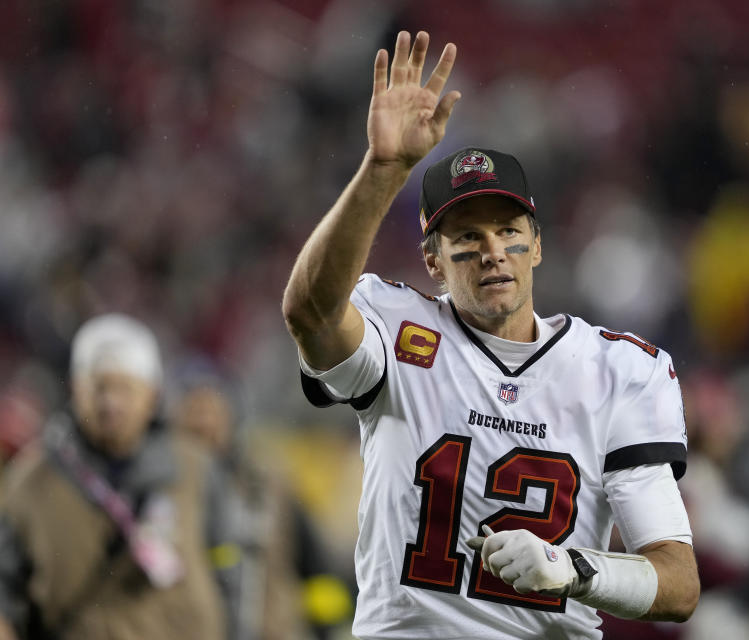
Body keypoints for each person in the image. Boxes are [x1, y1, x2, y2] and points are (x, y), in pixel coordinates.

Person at [281, 30, 700, 639]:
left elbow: (679, 584)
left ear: (537, 245)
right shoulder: (399, 332)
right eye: (467, 239)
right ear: (434, 261)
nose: (492, 252)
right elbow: (312, 313)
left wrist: (572, 566)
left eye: (508, 231)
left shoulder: (618, 373)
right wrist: (384, 169)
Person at [0, 314, 229, 640]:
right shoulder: (29, 480)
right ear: (76, 388)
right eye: (99, 387)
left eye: (125, 388)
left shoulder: (196, 467)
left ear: (152, 394)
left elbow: (233, 568)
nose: (111, 403)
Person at [173, 368, 353, 640]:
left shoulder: (269, 487)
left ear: (232, 418)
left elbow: (317, 569)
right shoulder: (159, 488)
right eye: (194, 412)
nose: (204, 424)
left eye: (212, 411)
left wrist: (327, 629)